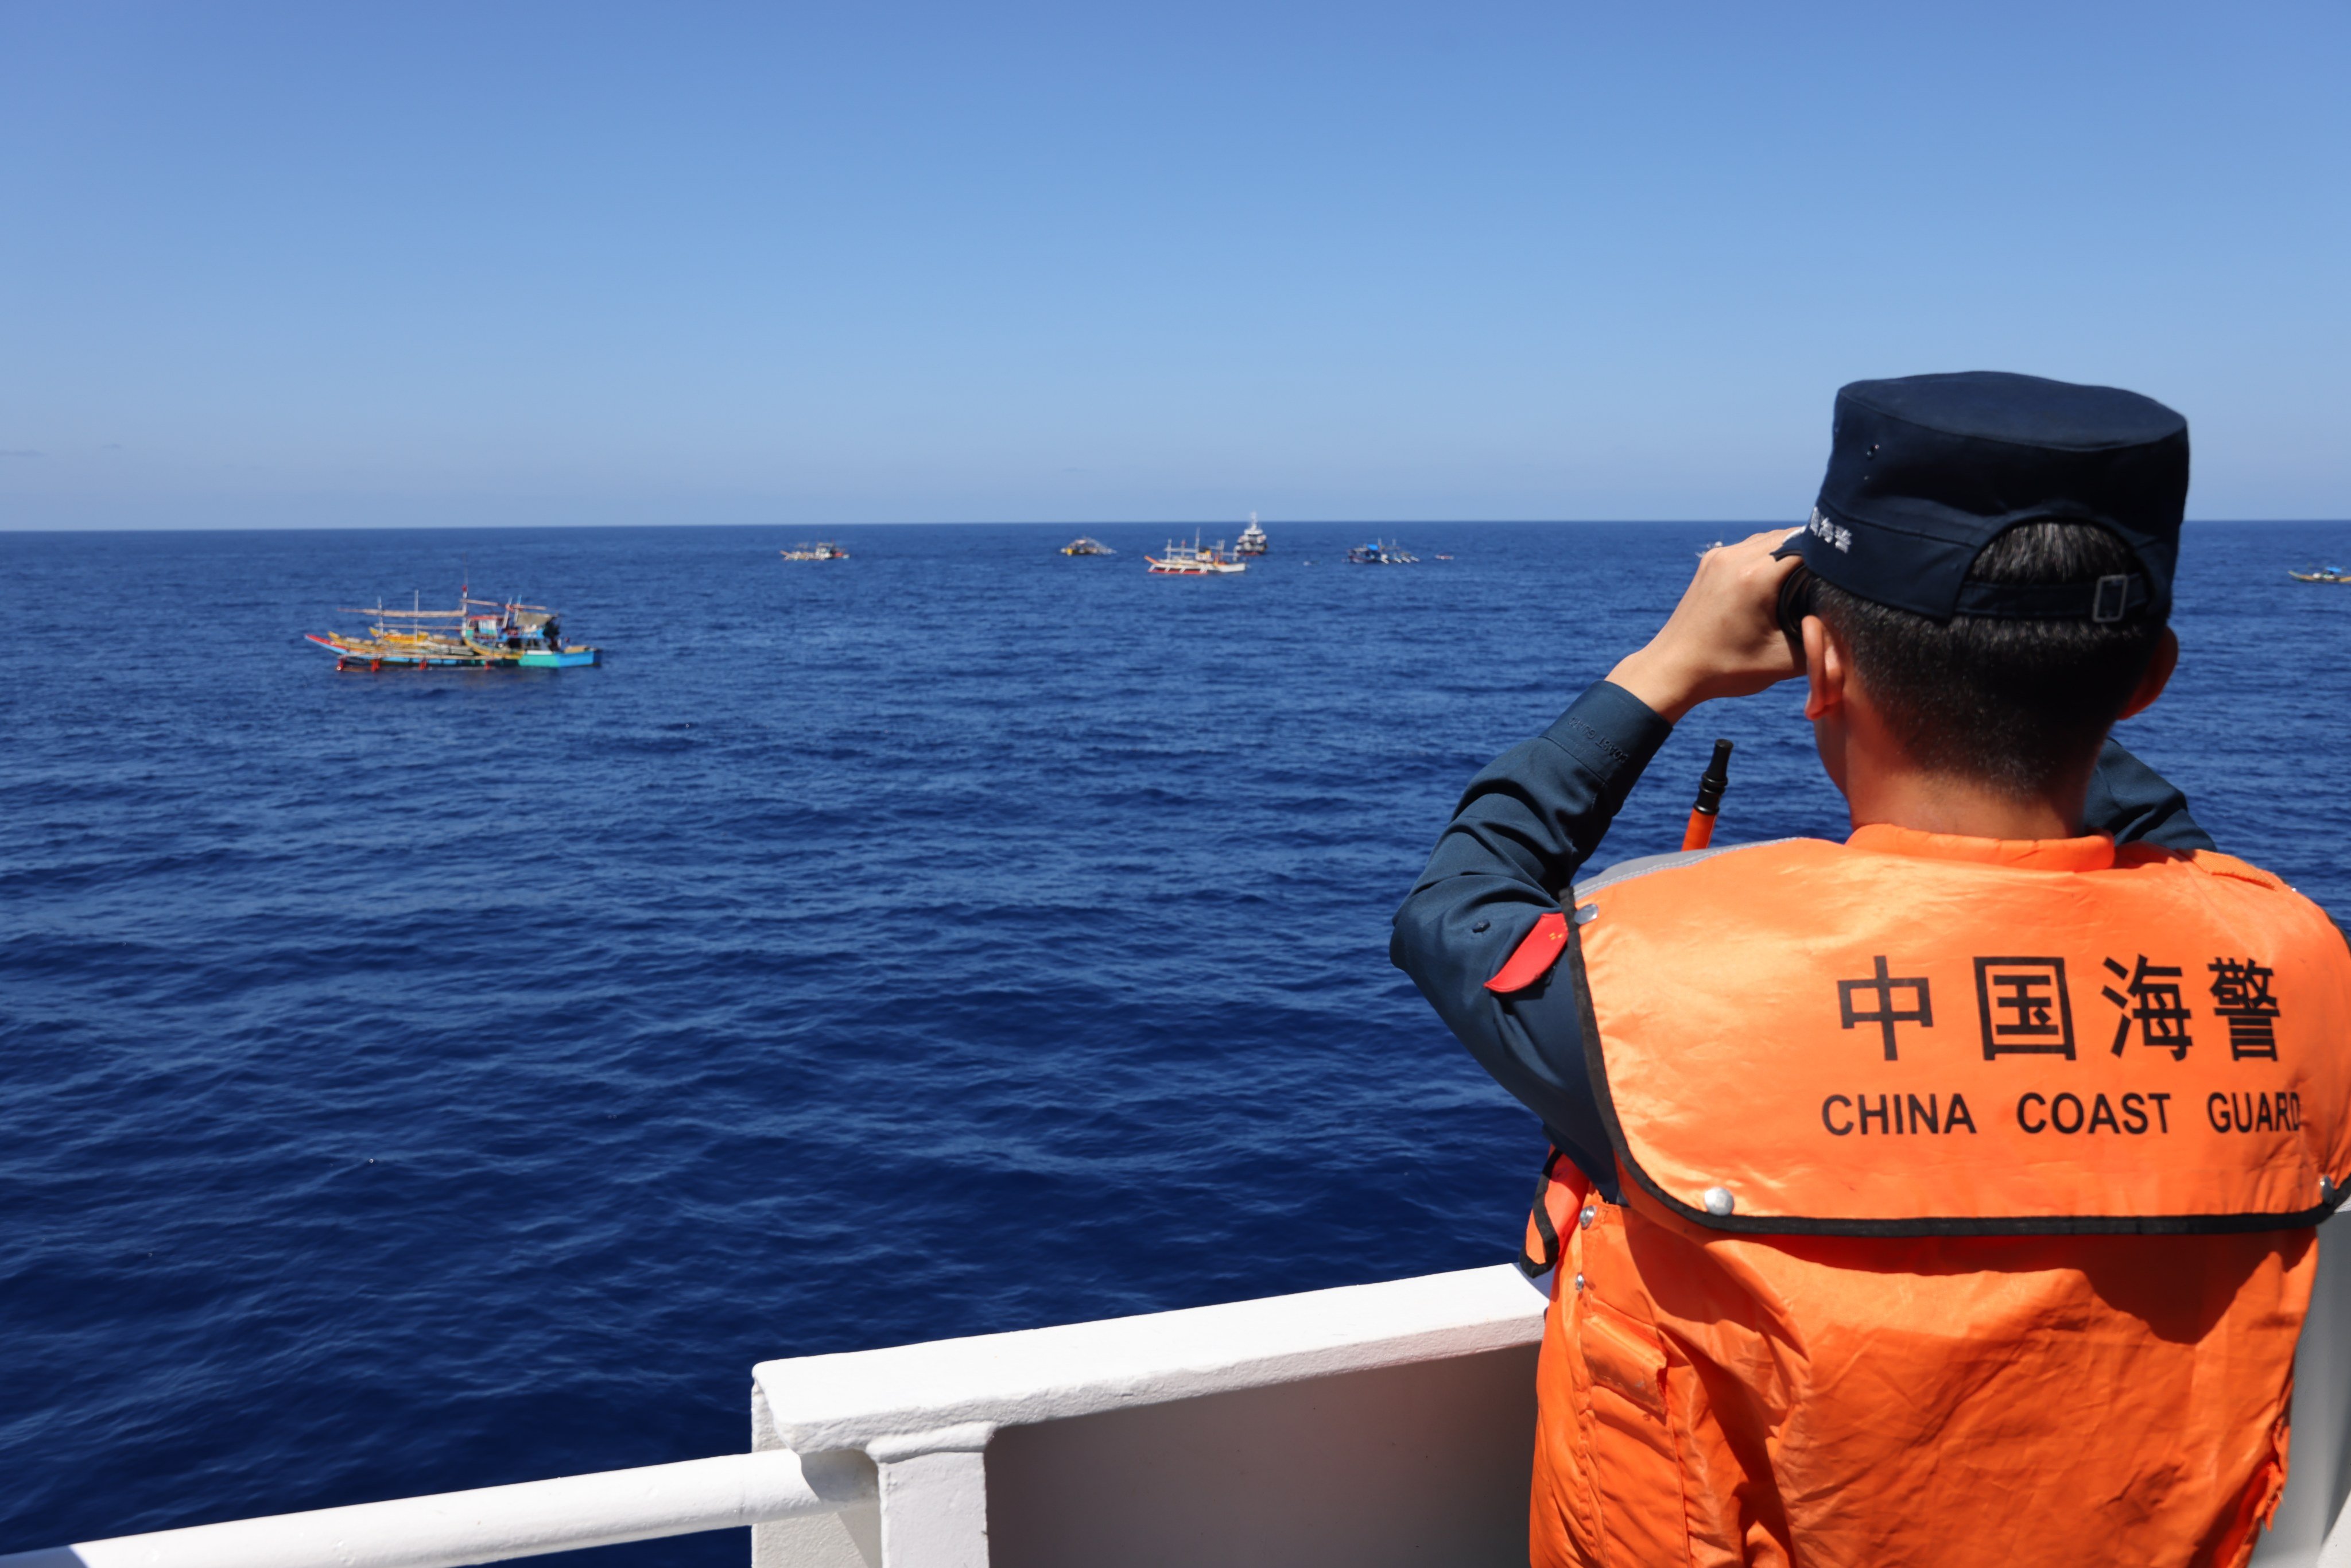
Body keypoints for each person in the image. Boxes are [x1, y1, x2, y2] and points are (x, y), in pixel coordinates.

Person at [1391, 371, 2351, 1568]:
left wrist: (1662, 669)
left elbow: (1457, 907)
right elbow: (2166, 854)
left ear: (1821, 669)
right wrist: (2036, 681)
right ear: (2146, 682)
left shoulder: (1655, 995)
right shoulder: (2298, 976)